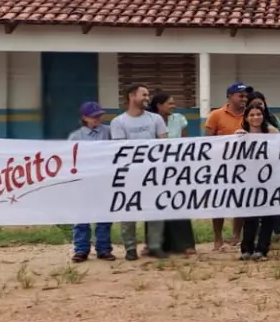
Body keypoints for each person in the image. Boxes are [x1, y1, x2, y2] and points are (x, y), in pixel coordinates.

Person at [110, 83, 168, 258]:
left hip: (153, 173)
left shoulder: (156, 119)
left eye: (148, 95)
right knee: (129, 211)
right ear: (131, 96)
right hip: (130, 174)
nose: (147, 98)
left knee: (156, 209)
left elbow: (164, 143)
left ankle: (155, 245)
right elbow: (121, 149)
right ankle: (130, 248)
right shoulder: (118, 122)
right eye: (144, 95)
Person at [66, 102, 116, 262]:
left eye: (99, 116)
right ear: (84, 118)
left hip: (104, 179)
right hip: (84, 180)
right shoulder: (75, 137)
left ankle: (104, 249)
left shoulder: (109, 131)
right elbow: (70, 158)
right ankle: (81, 250)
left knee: (104, 216)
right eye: (94, 116)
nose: (97, 119)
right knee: (81, 216)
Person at [148, 92, 196, 255]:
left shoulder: (179, 119)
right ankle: (158, 244)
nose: (173, 106)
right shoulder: (150, 120)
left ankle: (185, 244)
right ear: (159, 106)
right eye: (170, 103)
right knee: (157, 205)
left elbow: (185, 142)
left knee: (179, 202)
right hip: (156, 169)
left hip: (177, 168)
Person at [204, 82, 250, 250]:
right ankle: (218, 237)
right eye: (241, 96)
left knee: (240, 201)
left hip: (243, 166)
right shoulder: (216, 115)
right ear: (230, 96)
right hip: (221, 166)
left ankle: (236, 235)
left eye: (246, 96)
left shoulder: (250, 115)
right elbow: (207, 141)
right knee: (219, 202)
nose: (244, 99)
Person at [238, 103, 279, 261]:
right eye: (252, 115)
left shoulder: (271, 132)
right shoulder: (240, 134)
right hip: (248, 179)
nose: (256, 117)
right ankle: (246, 248)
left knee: (268, 215)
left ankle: (262, 249)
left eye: (259, 114)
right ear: (246, 118)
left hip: (269, 178)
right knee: (250, 216)